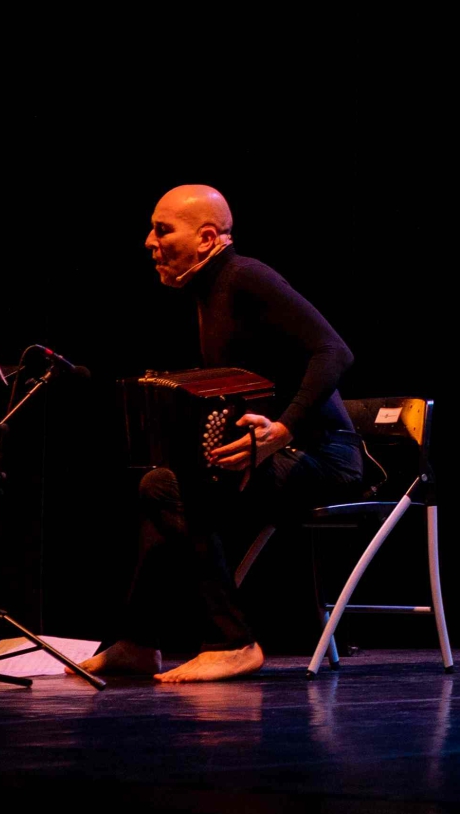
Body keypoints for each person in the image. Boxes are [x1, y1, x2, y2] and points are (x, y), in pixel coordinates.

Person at [73, 184, 364, 684]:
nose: (149, 242)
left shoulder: (247, 277)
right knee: (161, 481)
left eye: (162, 230)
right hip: (286, 453)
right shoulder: (208, 291)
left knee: (174, 485)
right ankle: (139, 642)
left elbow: (334, 351)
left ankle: (233, 641)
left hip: (326, 459)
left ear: (207, 238)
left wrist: (283, 428)